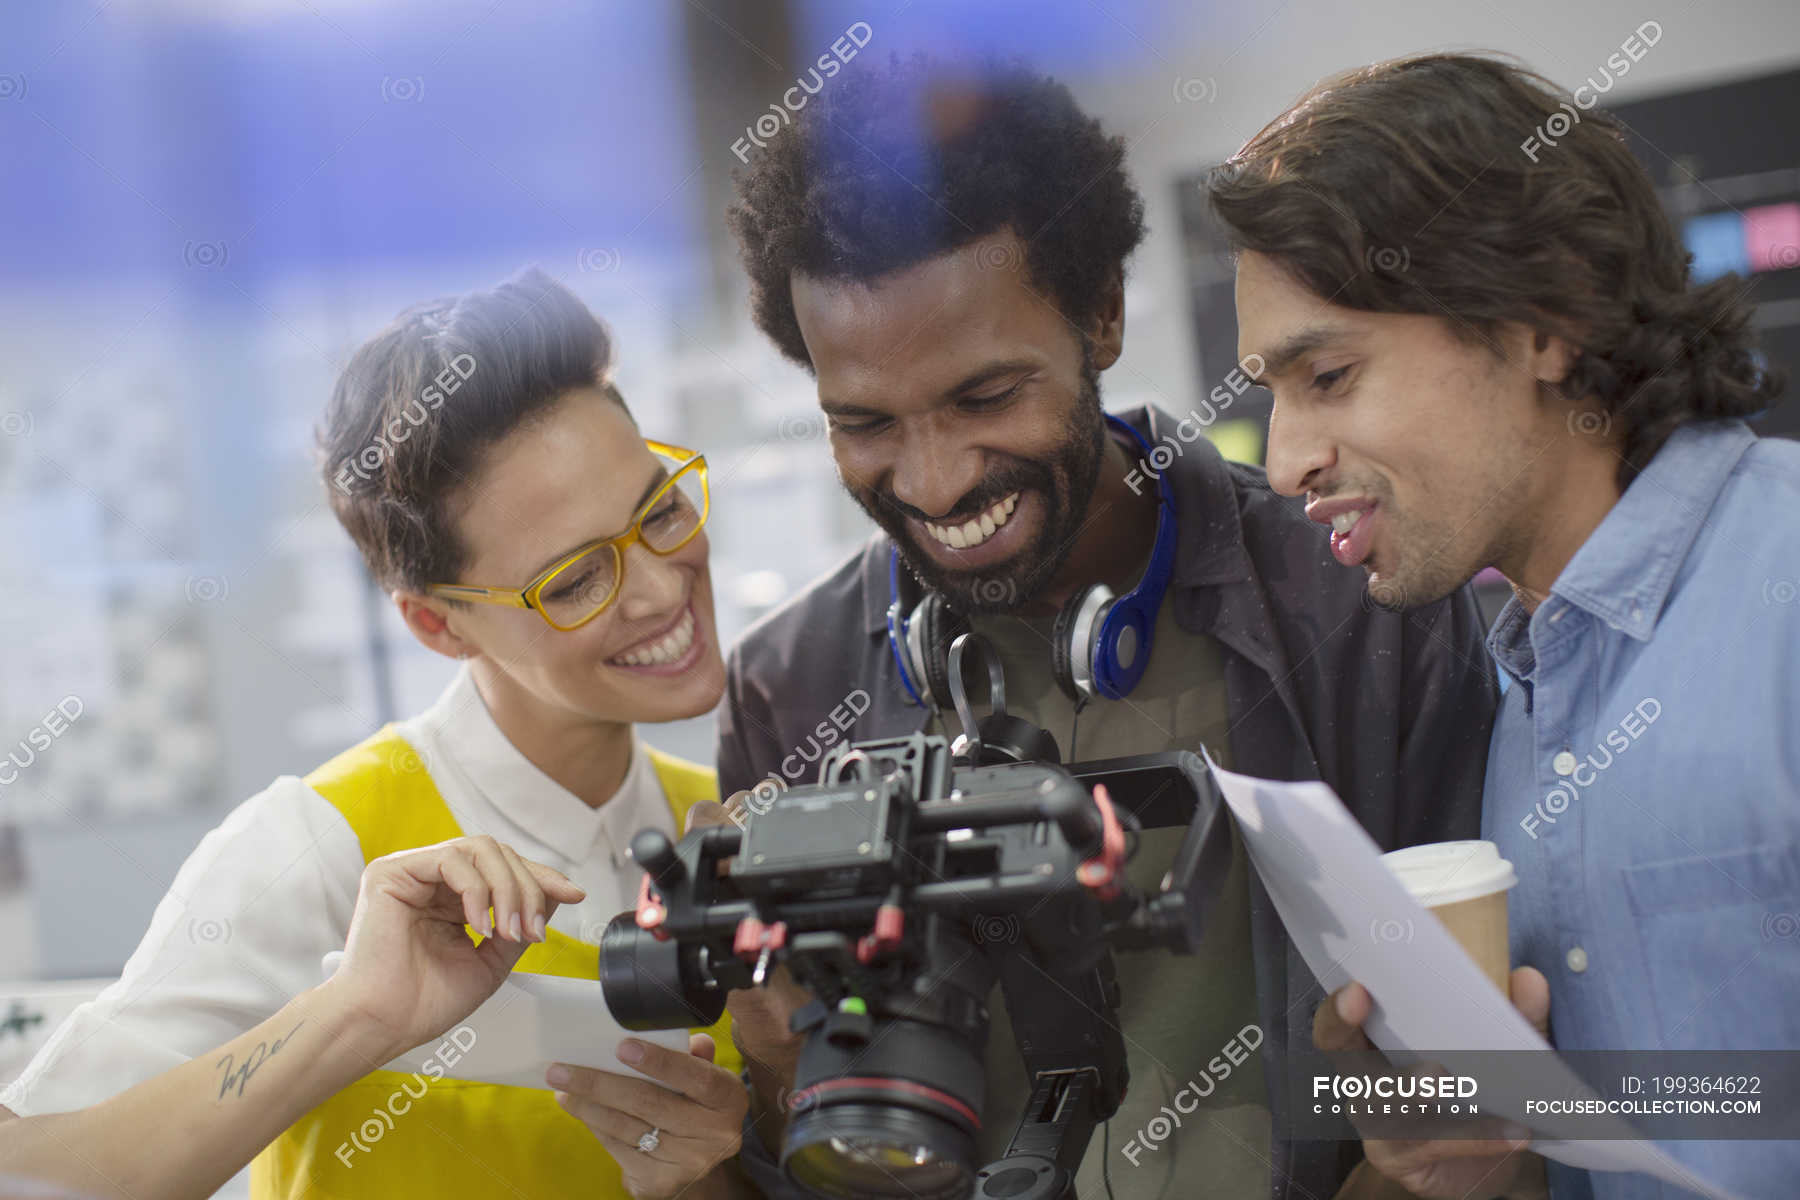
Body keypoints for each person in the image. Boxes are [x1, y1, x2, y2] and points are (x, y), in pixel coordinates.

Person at [712, 54, 1500, 1199]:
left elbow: (1468, 1101)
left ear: (1104, 314)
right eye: (866, 422)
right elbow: (812, 1152)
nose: (932, 483)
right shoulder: (791, 683)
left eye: (985, 398)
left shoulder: (1365, 606)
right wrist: (779, 1065)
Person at [1, 269, 758, 1200]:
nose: (658, 586)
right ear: (438, 625)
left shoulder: (725, 824)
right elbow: (28, 1172)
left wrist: (702, 1177)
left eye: (663, 511)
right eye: (571, 582)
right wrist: (354, 1017)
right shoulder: (320, 844)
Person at [1205, 52, 1798, 1200]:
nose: (1284, 463)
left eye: (1327, 373)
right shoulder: (1521, 689)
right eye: (1269, 396)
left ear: (1543, 322)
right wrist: (1461, 1154)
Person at [0, 837, 584, 1199]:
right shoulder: (304, 834)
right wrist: (357, 1011)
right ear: (437, 628)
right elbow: (40, 1176)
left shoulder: (677, 811)